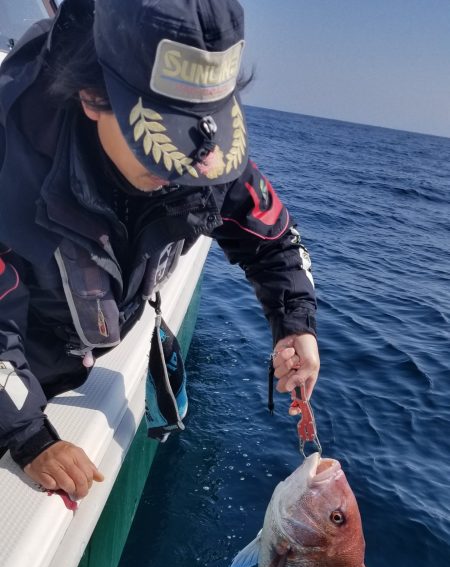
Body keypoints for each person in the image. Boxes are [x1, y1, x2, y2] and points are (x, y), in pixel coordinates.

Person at [0, 0, 319, 500]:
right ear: (91, 94)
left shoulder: (201, 162)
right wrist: (27, 435)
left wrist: (295, 321)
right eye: (159, 144)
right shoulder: (10, 153)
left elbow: (274, 238)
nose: (183, 171)